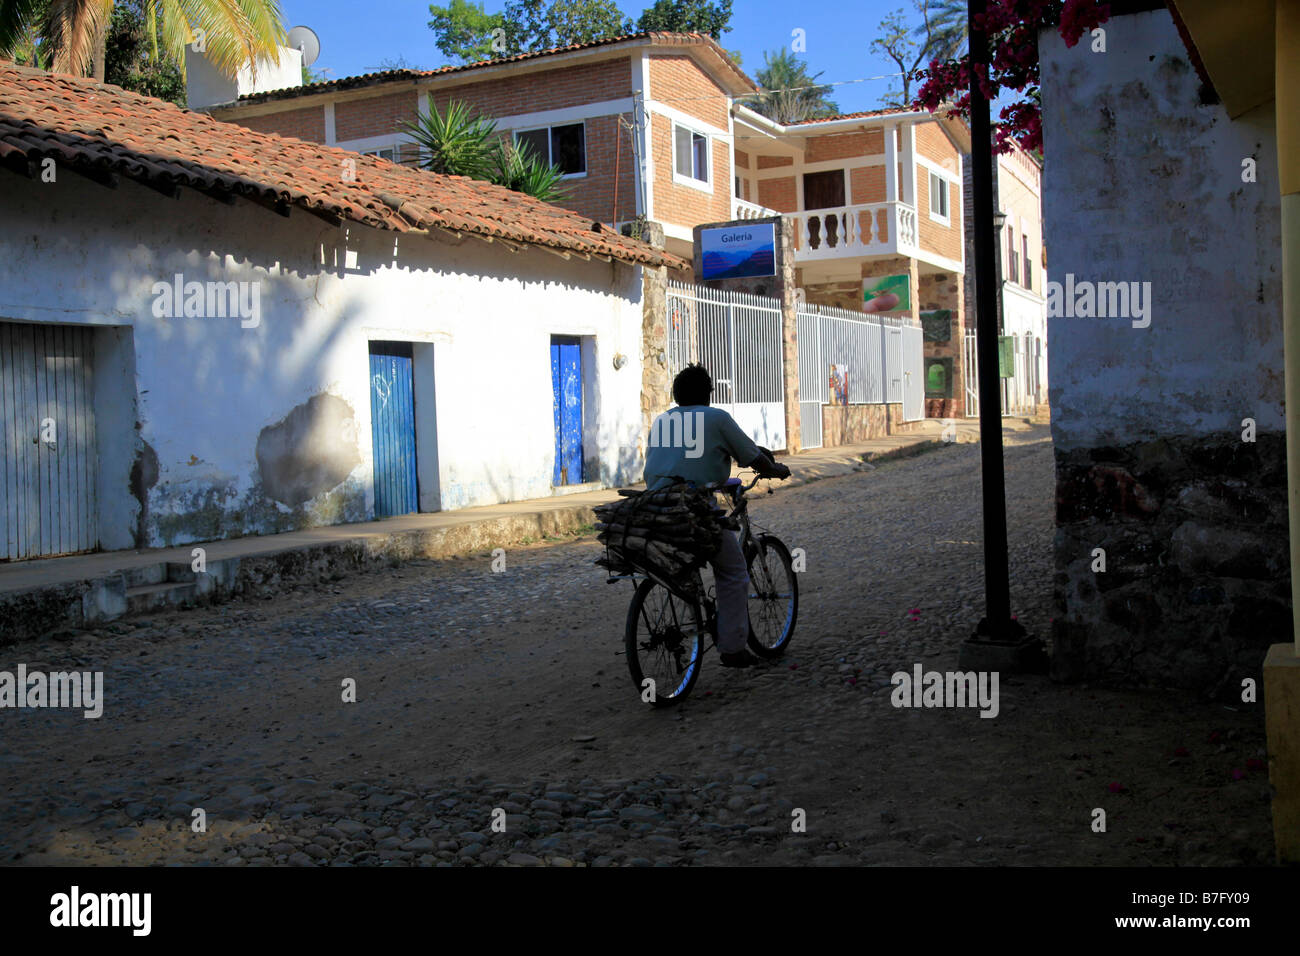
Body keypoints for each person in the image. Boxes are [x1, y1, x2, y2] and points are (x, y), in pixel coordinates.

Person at [643, 363, 791, 669]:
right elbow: (753, 458)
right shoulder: (717, 418)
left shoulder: (662, 421)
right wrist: (775, 469)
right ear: (708, 394)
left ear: (677, 395)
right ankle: (733, 648)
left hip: (655, 508)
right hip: (693, 510)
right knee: (734, 570)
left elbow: (686, 460)